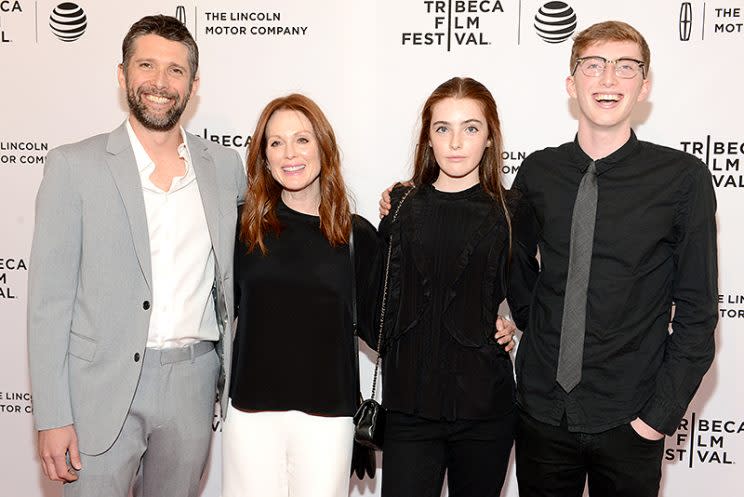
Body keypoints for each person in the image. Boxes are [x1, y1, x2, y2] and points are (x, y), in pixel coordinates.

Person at [27, 15, 245, 497]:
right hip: (97, 388)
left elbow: (276, 224)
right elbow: (48, 303)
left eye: (175, 70)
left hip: (193, 380)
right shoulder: (73, 166)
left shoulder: (225, 167)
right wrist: (53, 415)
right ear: (123, 75)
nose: (160, 83)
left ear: (193, 84)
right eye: (146, 66)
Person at [511, 21, 717, 497]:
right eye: (594, 66)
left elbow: (698, 312)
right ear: (571, 83)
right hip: (542, 413)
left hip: (632, 416)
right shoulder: (538, 172)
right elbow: (512, 267)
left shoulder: (682, 179)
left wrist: (657, 417)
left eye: (626, 67)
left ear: (644, 86)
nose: (608, 79)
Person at [378, 77, 538, 497]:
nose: (455, 142)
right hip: (409, 407)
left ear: (489, 138)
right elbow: (382, 298)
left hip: (485, 409)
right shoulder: (400, 205)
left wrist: (509, 324)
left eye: (470, 128)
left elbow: (529, 304)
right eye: (442, 128)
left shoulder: (512, 210)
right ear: (428, 138)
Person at [222, 93, 382, 497]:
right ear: (264, 156)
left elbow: (387, 327)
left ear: (323, 147)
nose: (289, 153)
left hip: (328, 419)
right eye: (276, 142)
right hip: (250, 415)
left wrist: (485, 319)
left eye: (302, 139)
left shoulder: (355, 235)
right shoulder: (242, 227)